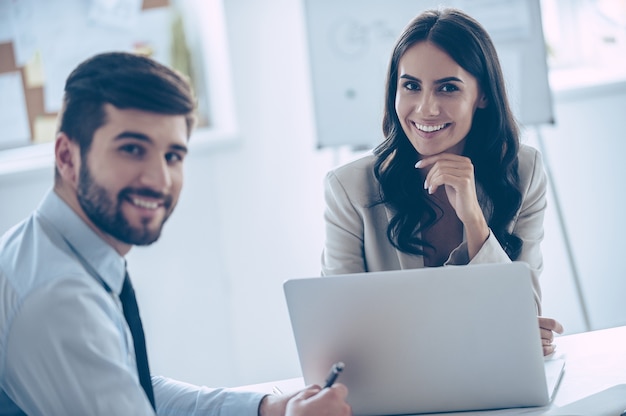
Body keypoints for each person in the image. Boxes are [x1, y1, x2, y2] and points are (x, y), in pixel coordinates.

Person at [0, 52, 351, 416]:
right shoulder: (61, 300)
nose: (159, 180)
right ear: (67, 156)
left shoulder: (49, 247)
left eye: (172, 156)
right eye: (132, 149)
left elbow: (131, 388)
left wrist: (267, 408)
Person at [321, 8, 563, 356]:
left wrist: (475, 220)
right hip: (397, 389)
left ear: (482, 95)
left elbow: (524, 316)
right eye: (411, 86)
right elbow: (338, 335)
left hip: (491, 377)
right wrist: (492, 328)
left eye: (448, 88)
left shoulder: (523, 171)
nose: (426, 108)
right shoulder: (349, 189)